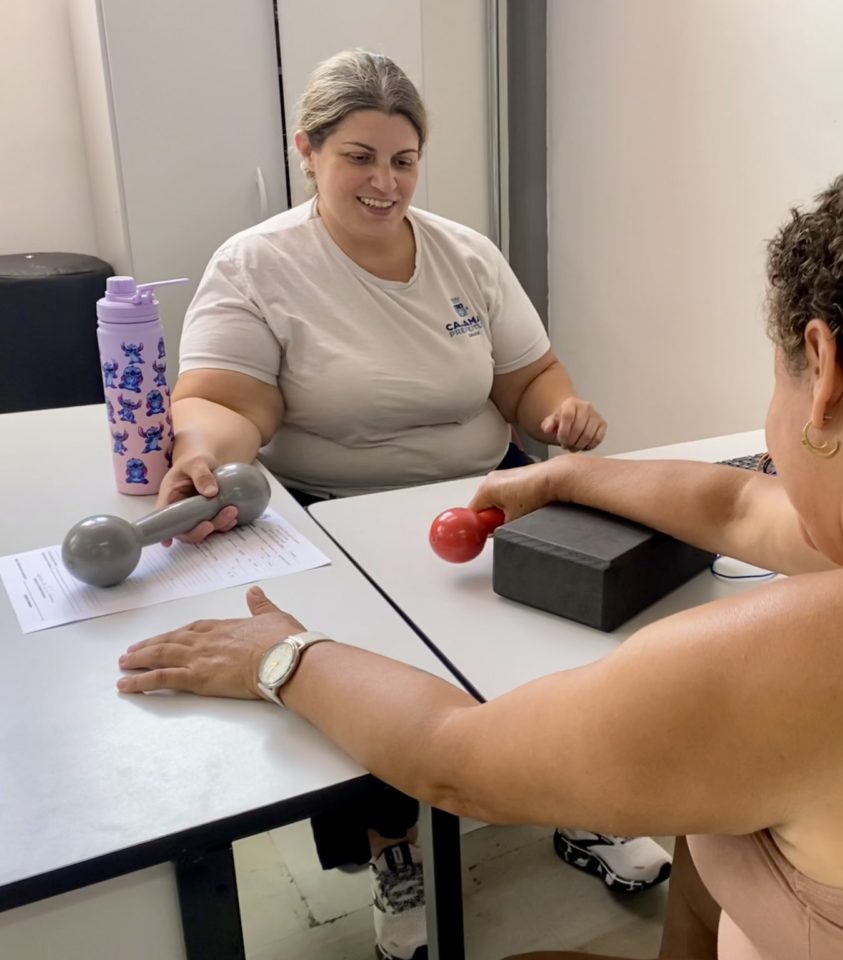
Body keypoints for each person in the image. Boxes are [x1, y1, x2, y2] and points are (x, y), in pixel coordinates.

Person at [121, 162, 843, 959]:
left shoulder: (821, 654)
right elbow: (732, 504)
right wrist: (554, 475)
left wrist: (285, 657)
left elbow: (457, 761)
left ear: (821, 367)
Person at [158, 49, 669, 960]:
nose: (384, 182)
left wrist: (556, 410)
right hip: (336, 515)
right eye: (359, 157)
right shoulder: (258, 264)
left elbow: (525, 377)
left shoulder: (465, 255)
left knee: (555, 655)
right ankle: (400, 857)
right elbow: (233, 403)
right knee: (375, 687)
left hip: (483, 494)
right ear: (307, 152)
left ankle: (578, 802)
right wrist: (202, 449)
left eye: (402, 160)